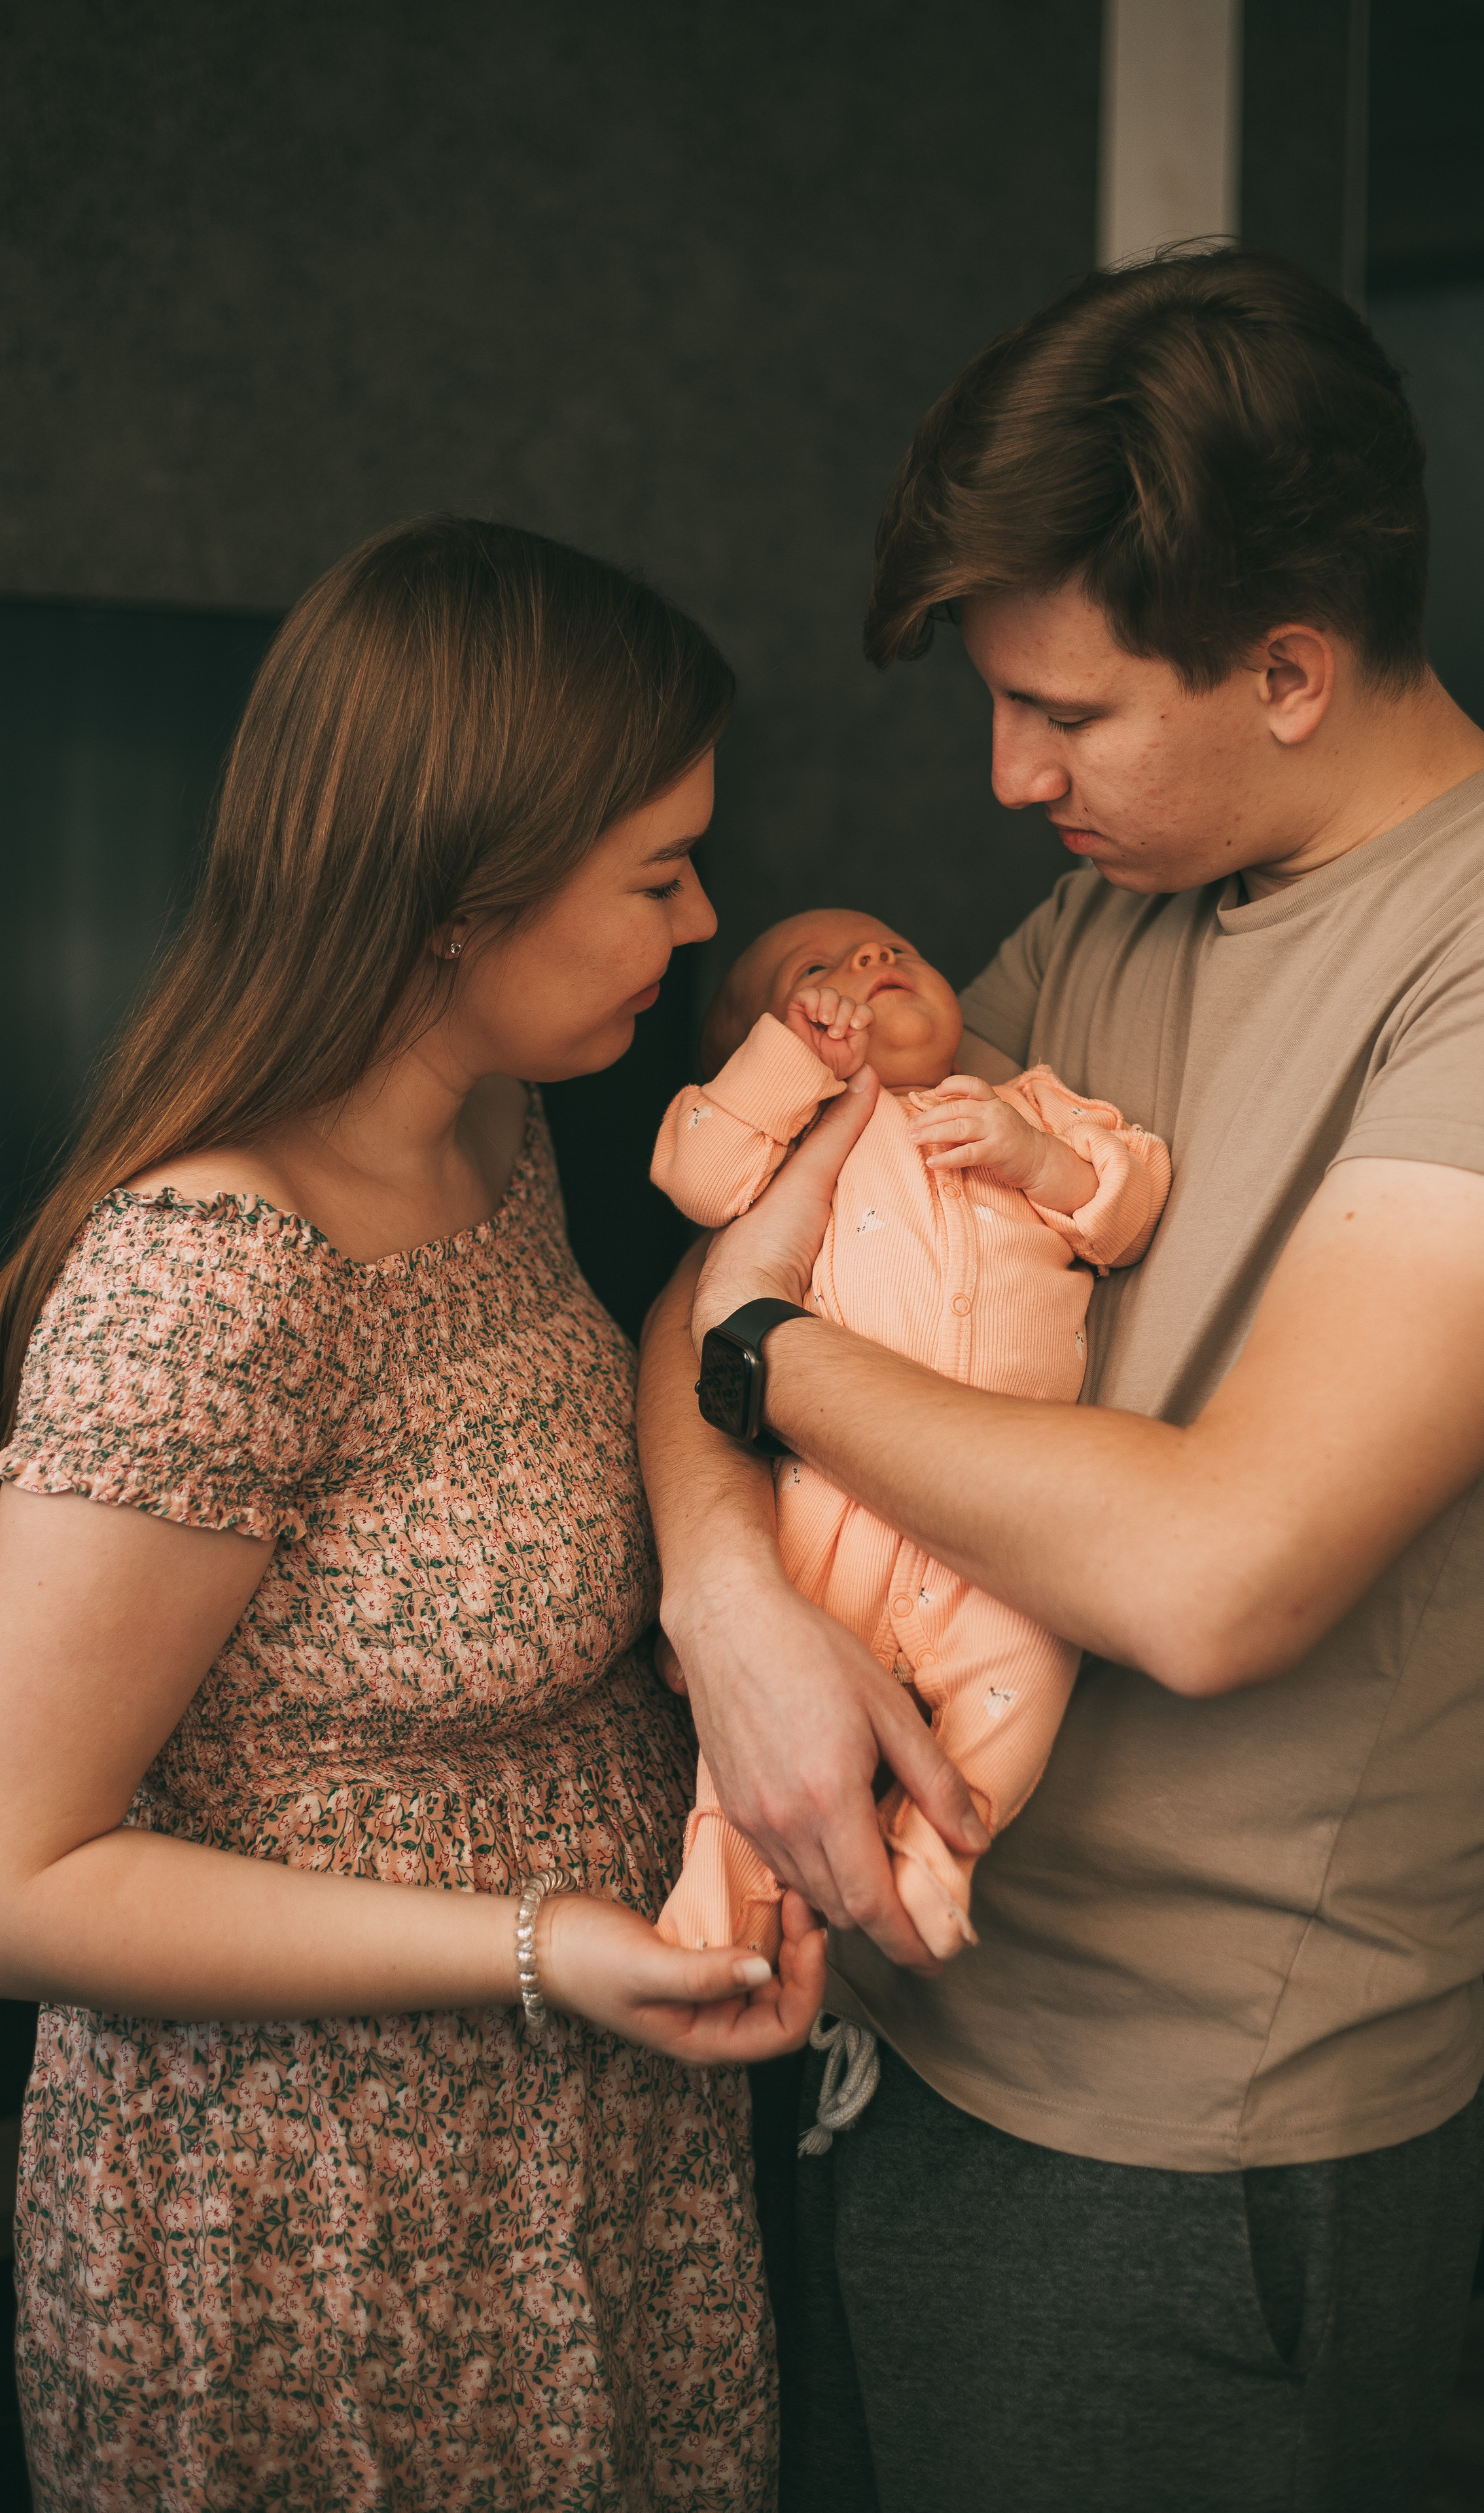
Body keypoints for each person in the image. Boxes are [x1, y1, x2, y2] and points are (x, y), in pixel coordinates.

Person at [635, 253, 1484, 2511]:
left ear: (1288, 669)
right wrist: (731, 1614)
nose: (1011, 779)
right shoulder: (1122, 898)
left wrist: (764, 1364)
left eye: (1066, 714)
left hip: (1185, 2147)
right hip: (882, 2027)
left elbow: (1219, 1576)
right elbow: (725, 1275)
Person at [0, 516, 825, 2513]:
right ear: (465, 896)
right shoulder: (214, 1279)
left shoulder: (498, 1128)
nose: (702, 916)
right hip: (318, 2215)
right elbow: (23, 1876)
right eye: (657, 875)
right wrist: (538, 1947)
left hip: (581, 2152)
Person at [648, 908, 1167, 1972]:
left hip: (997, 1515)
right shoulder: (784, 1145)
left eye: (896, 949)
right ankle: (717, 1910)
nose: (872, 961)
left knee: (1027, 1665)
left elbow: (1128, 1209)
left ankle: (938, 1853)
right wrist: (790, 1069)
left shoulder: (1027, 1103)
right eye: (819, 969)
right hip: (829, 1502)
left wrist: (1038, 1160)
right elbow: (697, 1178)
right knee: (775, 1699)